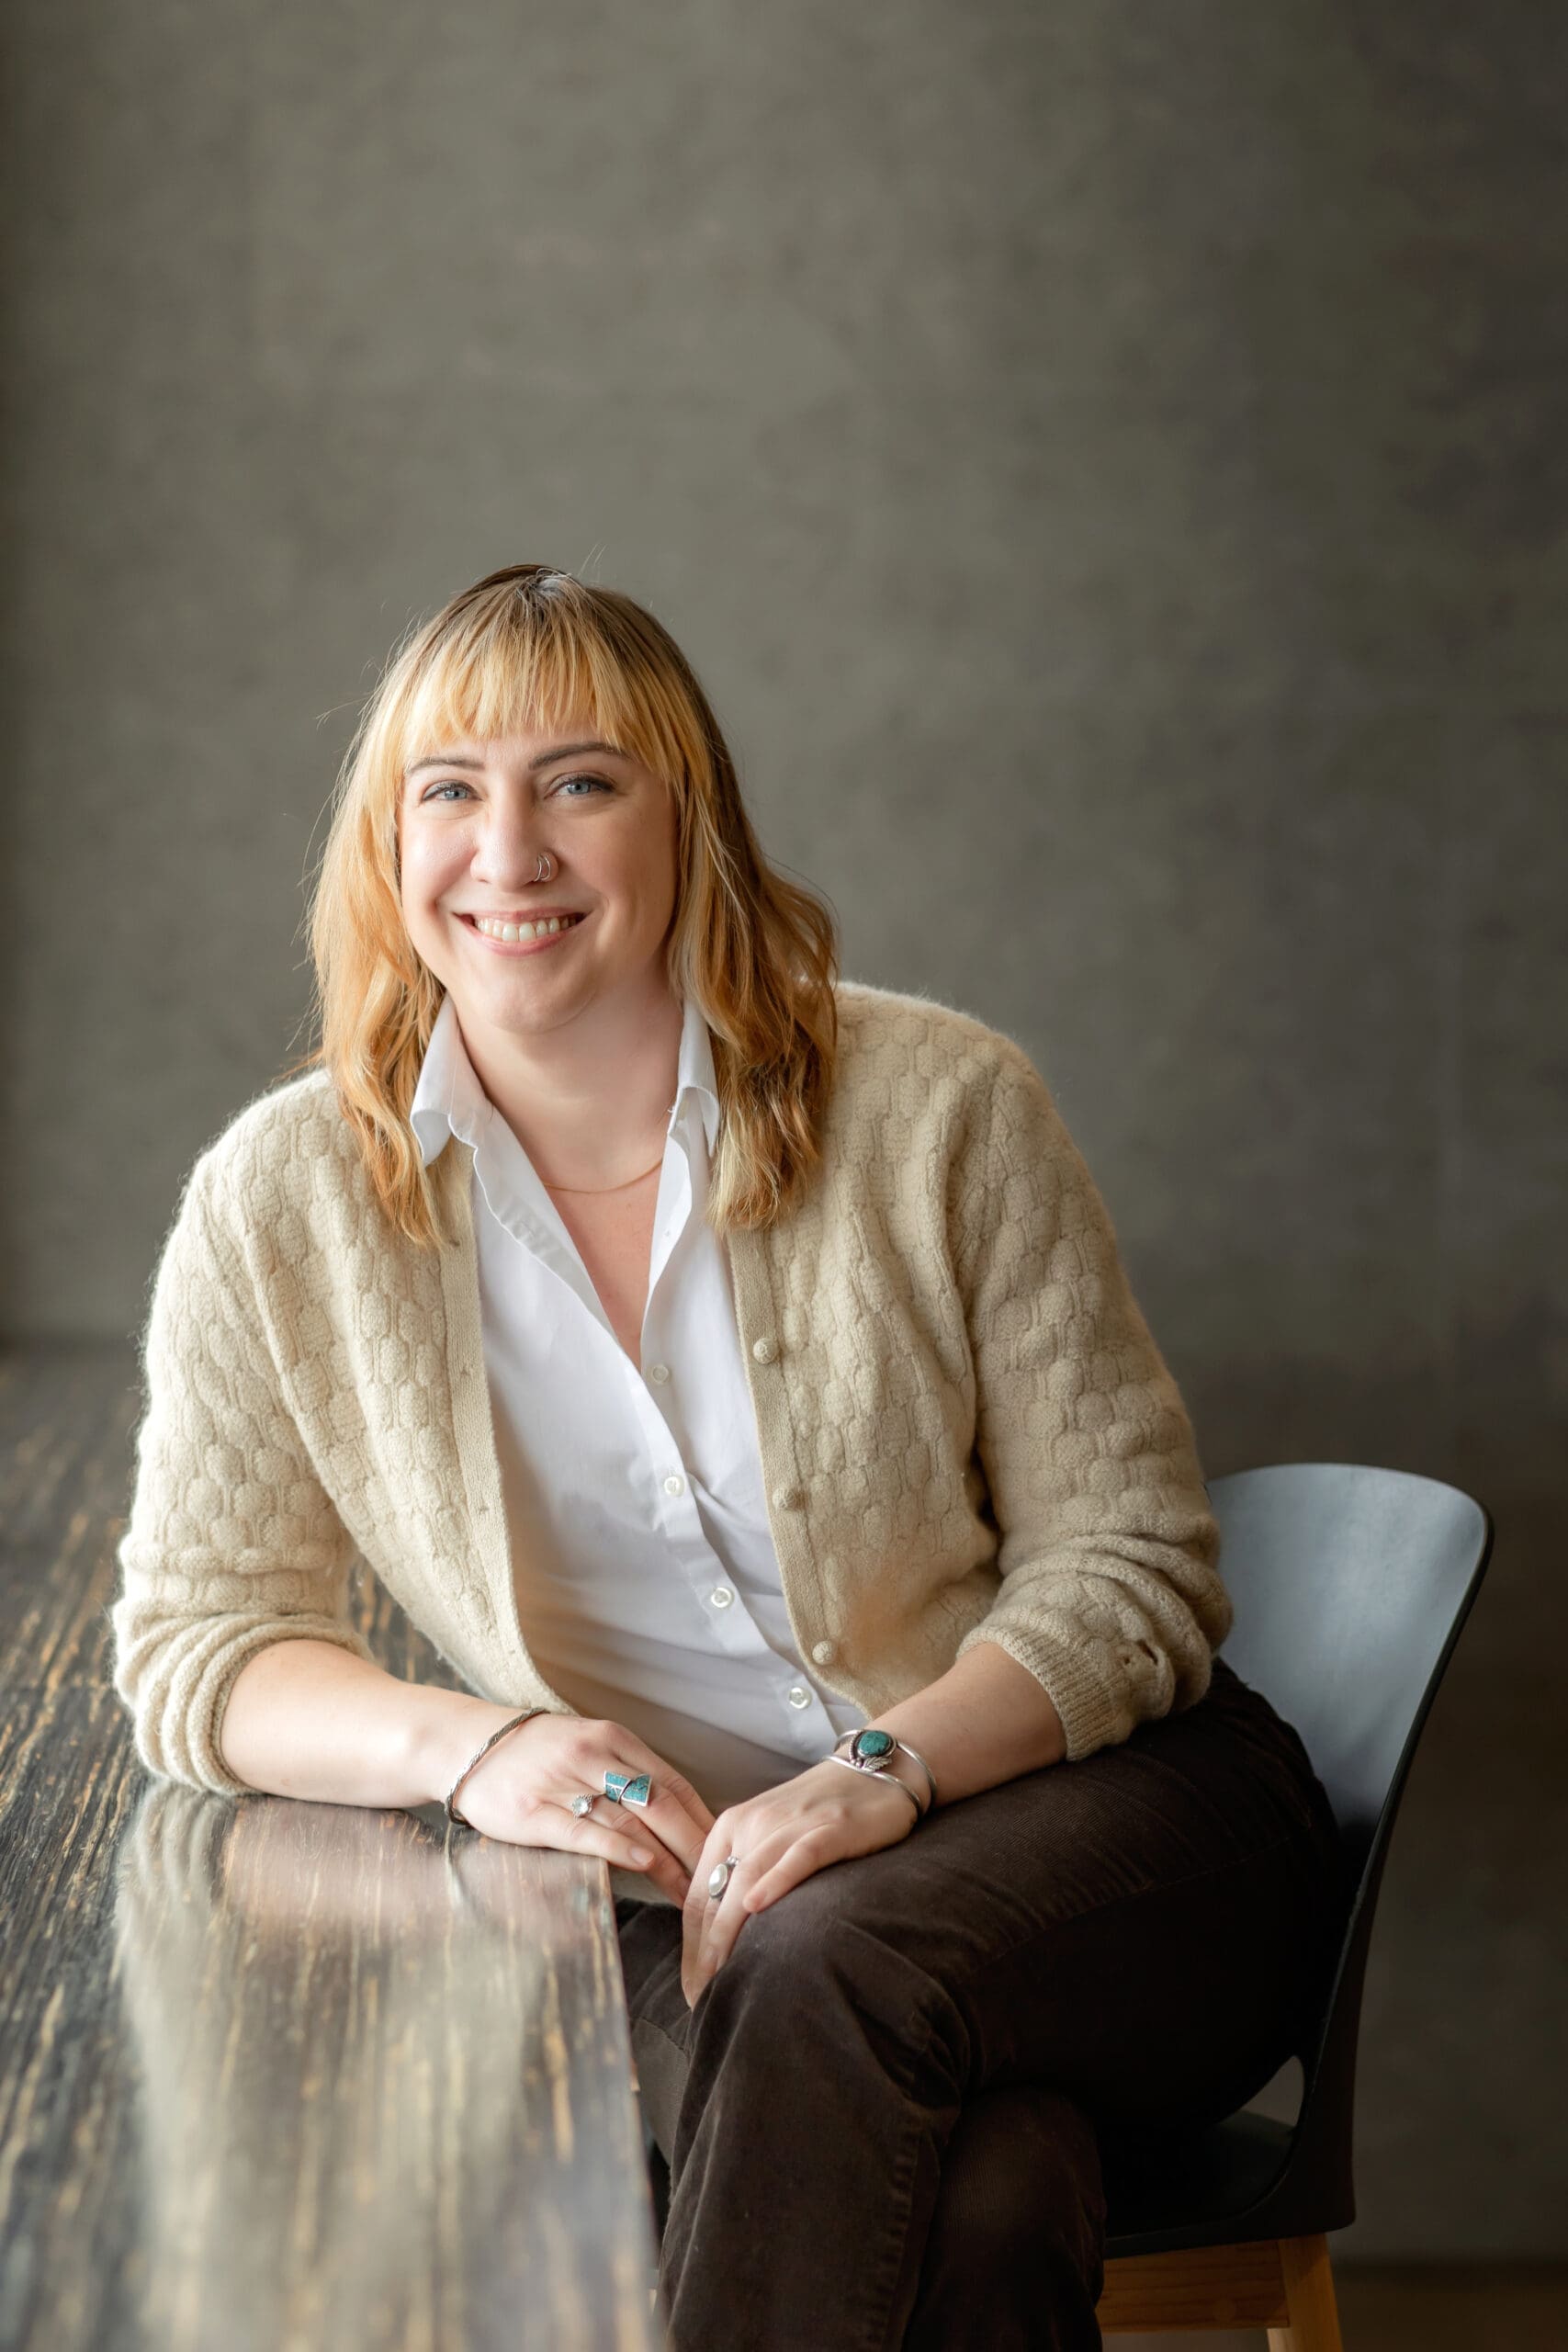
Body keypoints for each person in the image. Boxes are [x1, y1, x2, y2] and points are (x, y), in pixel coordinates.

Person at [111, 562, 1348, 2350]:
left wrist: (879, 1772)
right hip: (671, 1907)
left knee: (826, 1952)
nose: (506, 849)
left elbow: (1134, 1572)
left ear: (689, 821)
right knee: (989, 2195)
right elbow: (196, 1651)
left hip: (1108, 1848)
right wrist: (486, 1750)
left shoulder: (939, 1104)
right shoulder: (282, 1199)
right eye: (446, 789)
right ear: (385, 848)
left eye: (580, 781)